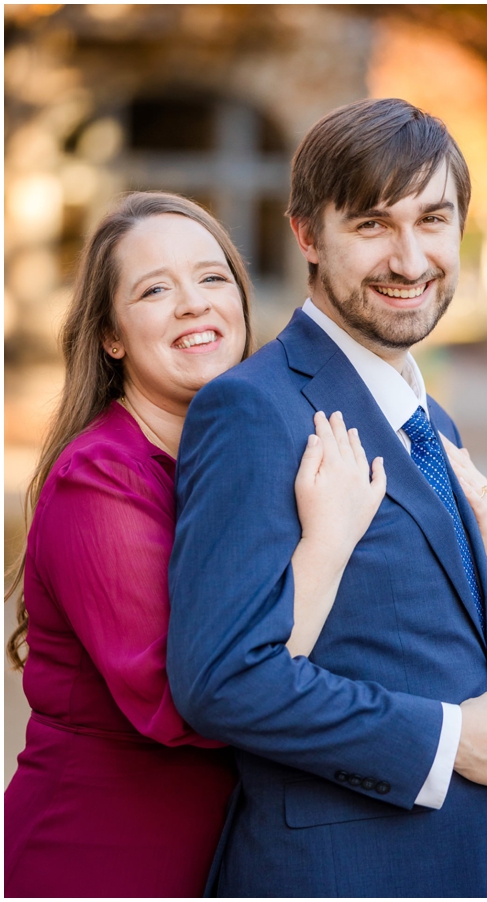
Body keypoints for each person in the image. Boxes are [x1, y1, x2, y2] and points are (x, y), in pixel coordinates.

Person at [165, 98, 487, 898]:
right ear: (309, 235)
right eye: (372, 225)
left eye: (433, 219)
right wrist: (453, 739)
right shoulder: (254, 409)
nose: (411, 258)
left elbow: (419, 648)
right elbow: (220, 679)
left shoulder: (430, 417)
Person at [3, 192, 389, 896]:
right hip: (97, 858)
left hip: (230, 854)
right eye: (154, 289)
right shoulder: (99, 480)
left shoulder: (260, 457)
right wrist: (328, 541)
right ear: (111, 335)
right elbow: (200, 700)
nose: (193, 304)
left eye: (212, 278)